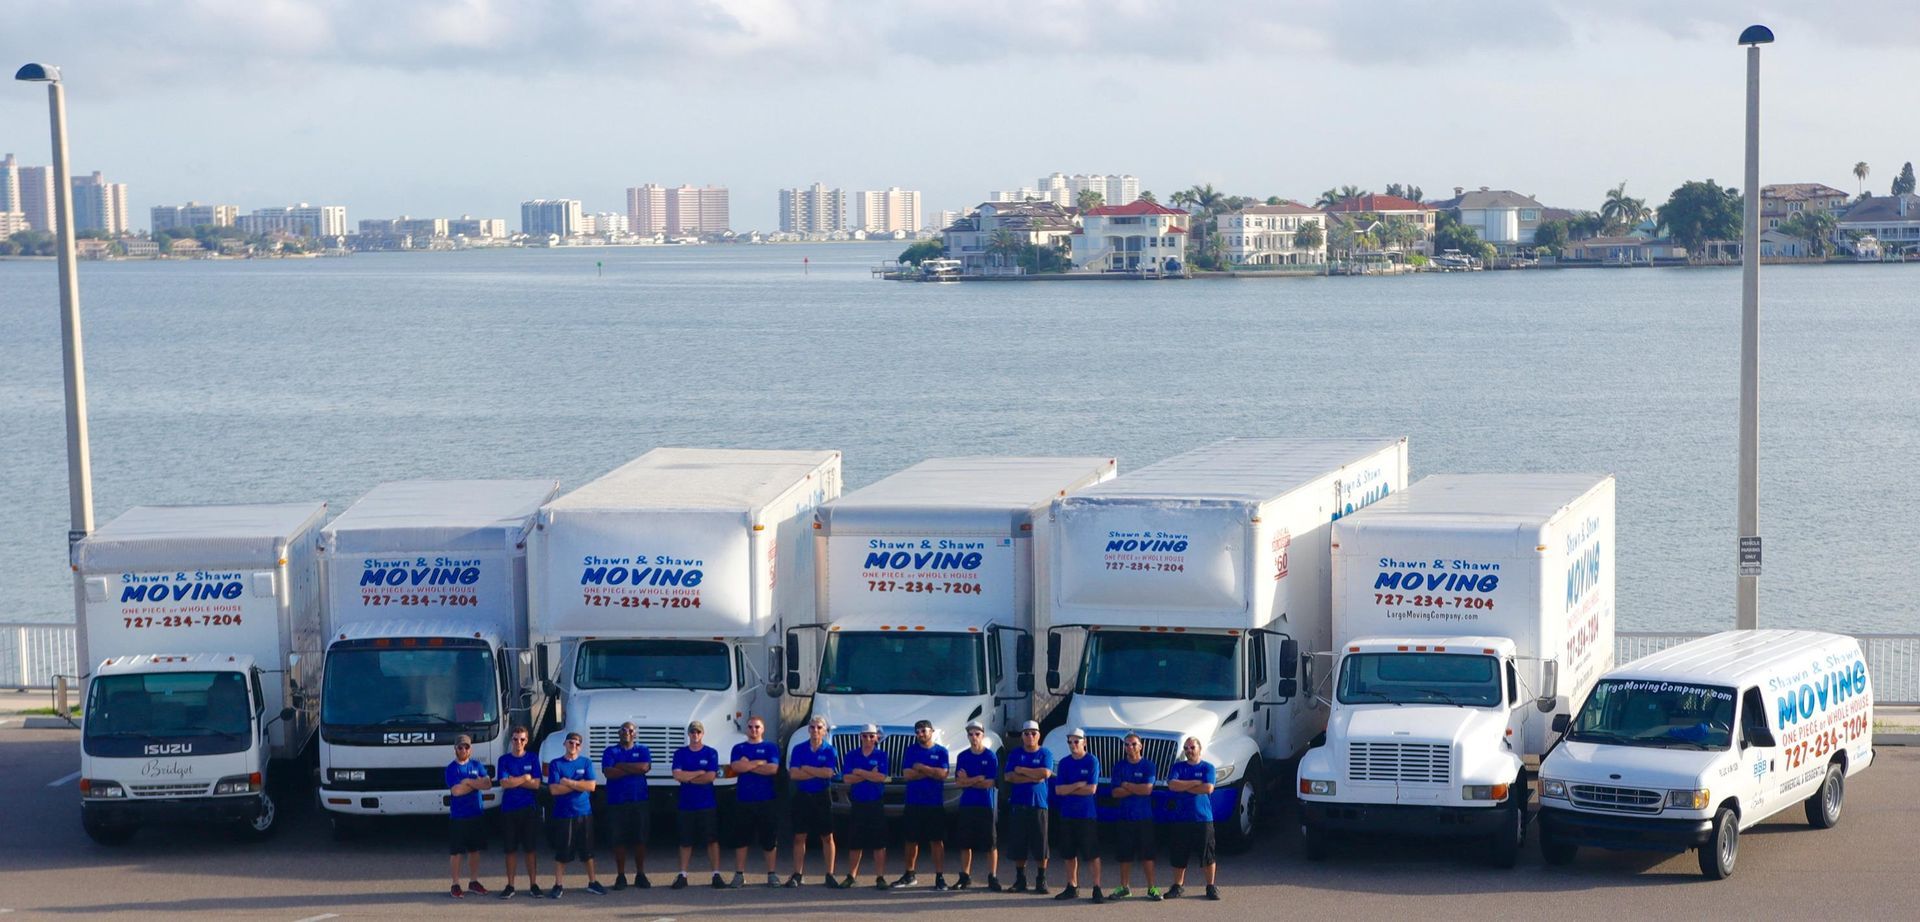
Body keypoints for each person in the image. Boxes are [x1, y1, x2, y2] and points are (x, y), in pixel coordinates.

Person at [546, 732, 608, 898]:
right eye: (571, 743)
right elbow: (554, 789)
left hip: (584, 813)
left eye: (577, 744)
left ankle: (592, 882)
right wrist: (579, 785)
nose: (573, 746)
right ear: (565, 744)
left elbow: (592, 786)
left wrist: (569, 782)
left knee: (588, 851)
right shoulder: (556, 764)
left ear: (580, 746)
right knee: (562, 851)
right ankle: (558, 885)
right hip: (563, 814)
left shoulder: (586, 762)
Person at [728, 715, 782, 888]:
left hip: (766, 800)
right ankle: (739, 874)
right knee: (741, 839)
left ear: (763, 729)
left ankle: (772, 874)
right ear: (746, 729)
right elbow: (736, 767)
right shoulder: (738, 747)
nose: (753, 730)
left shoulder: (770, 747)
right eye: (750, 727)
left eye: (757, 727)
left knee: (769, 839)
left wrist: (749, 765)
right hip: (744, 800)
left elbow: (772, 769)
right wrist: (759, 763)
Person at [1106, 732, 1160, 901]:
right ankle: (1124, 887)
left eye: (1133, 744)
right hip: (1124, 817)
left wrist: (1127, 785)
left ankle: (1152, 888)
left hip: (1144, 817)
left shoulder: (1148, 766)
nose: (1130, 747)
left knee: (1148, 855)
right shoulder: (1119, 766)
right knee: (1124, 855)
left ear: (1140, 746)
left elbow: (1147, 790)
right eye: (1127, 744)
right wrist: (1136, 788)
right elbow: (1115, 792)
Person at [670, 721, 725, 889]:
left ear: (702, 734)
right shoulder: (680, 753)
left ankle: (716, 873)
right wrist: (697, 773)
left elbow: (710, 777)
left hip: (706, 803)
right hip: (686, 804)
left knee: (712, 840)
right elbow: (677, 775)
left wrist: (690, 778)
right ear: (689, 734)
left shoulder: (710, 753)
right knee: (685, 841)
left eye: (698, 732)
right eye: (692, 732)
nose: (695, 735)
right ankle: (683, 874)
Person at [785, 715, 839, 888]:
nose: (815, 730)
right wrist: (817, 771)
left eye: (819, 727)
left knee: (827, 836)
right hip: (803, 795)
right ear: (808, 729)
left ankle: (829, 874)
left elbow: (828, 773)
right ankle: (797, 874)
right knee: (800, 836)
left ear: (824, 731)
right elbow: (794, 774)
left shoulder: (830, 750)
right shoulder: (798, 749)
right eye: (813, 727)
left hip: (822, 795)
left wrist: (807, 769)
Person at [897, 719, 950, 890]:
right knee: (911, 840)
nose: (920, 734)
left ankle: (940, 876)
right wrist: (930, 772)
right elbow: (907, 774)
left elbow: (942, 774)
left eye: (924, 731)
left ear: (932, 731)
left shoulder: (941, 751)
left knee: (936, 840)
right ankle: (909, 874)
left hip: (934, 803)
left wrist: (921, 768)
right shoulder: (911, 750)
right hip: (913, 802)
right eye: (918, 731)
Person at [1052, 729, 1104, 903]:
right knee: (1069, 853)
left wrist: (1071, 788)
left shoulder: (1092, 761)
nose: (1073, 745)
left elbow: (1091, 789)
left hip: (1086, 814)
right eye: (1070, 742)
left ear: (1084, 742)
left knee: (1091, 853)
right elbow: (1059, 790)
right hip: (1067, 814)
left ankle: (1096, 887)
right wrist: (1077, 785)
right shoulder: (1065, 763)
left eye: (1076, 742)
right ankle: (1072, 886)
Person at [1165, 736, 1219, 900]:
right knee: (1179, 854)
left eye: (1192, 748)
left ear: (1199, 749)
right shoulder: (1178, 767)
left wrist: (1185, 786)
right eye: (1186, 748)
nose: (1189, 751)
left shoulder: (1208, 767)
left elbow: (1208, 788)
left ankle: (1210, 886)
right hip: (1181, 818)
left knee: (1207, 854)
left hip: (1203, 818)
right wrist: (1195, 783)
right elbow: (1172, 785)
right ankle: (1178, 886)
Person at [600, 721, 652, 891]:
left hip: (639, 800)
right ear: (618, 733)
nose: (627, 732)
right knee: (618, 839)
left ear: (635, 733)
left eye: (630, 730)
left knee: (640, 838)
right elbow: (609, 772)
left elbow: (644, 767)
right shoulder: (610, 751)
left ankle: (640, 874)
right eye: (623, 730)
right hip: (617, 801)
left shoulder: (642, 750)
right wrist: (633, 769)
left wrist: (621, 765)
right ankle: (621, 875)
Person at [494, 725, 545, 899]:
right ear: (511, 741)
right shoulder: (504, 760)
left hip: (528, 809)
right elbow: (504, 783)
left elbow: (537, 784)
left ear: (526, 740)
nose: (518, 742)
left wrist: (514, 780)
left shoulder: (532, 758)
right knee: (510, 850)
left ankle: (533, 884)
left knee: (530, 849)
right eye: (515, 739)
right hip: (509, 809)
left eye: (522, 739)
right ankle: (510, 885)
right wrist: (524, 778)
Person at [839, 724, 892, 890]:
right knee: (855, 841)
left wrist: (860, 772)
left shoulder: (882, 755)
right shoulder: (851, 755)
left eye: (871, 736)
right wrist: (870, 774)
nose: (868, 739)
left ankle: (880, 877)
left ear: (876, 737)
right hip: (858, 803)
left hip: (875, 802)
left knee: (879, 842)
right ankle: (852, 875)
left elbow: (881, 777)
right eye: (865, 736)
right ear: (860, 737)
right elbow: (847, 779)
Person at [1003, 719, 1053, 894]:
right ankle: (1020, 879)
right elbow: (1009, 777)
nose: (1030, 736)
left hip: (1039, 805)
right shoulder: (1015, 754)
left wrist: (1022, 770)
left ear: (1039, 735)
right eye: (1026, 733)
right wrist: (1033, 775)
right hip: (1019, 804)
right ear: (1022, 736)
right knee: (1019, 845)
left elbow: (1045, 773)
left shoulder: (1045, 753)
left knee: (1041, 845)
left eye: (1033, 733)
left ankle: (1041, 879)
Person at [951, 720, 1001, 891]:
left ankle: (992, 876)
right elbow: (959, 782)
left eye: (977, 734)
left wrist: (969, 780)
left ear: (982, 735)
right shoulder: (963, 756)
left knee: (990, 843)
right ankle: (965, 876)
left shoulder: (990, 756)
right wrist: (976, 779)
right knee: (965, 843)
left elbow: (989, 783)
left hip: (985, 804)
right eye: (971, 734)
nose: (974, 737)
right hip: (967, 804)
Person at [446, 734, 492, 898]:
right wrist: (475, 783)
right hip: (458, 816)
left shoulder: (477, 765)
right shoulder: (451, 768)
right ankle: (455, 883)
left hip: (476, 814)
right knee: (457, 852)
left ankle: (473, 881)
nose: (463, 750)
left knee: (475, 850)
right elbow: (456, 791)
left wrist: (468, 781)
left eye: (466, 747)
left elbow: (487, 784)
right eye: (460, 747)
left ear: (470, 749)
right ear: (455, 749)